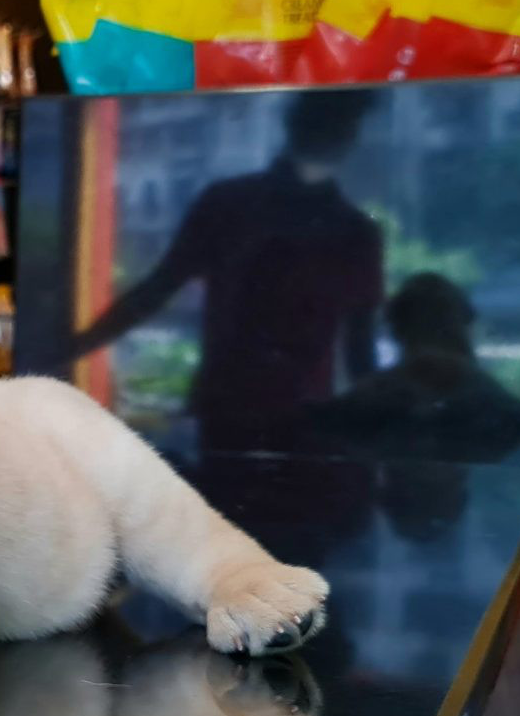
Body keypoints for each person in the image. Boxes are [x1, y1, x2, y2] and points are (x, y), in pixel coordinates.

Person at [75, 89, 385, 454]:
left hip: (248, 416)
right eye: (337, 123)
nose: (337, 133)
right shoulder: (351, 231)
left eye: (340, 123)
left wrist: (70, 349)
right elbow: (359, 354)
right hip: (266, 418)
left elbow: (155, 291)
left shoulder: (231, 204)